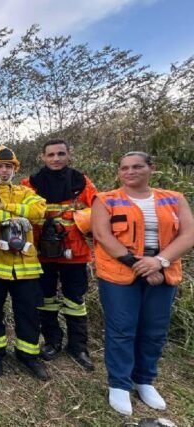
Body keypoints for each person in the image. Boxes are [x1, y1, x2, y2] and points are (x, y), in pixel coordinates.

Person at [92, 151, 194, 416]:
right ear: (119, 172)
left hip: (163, 271)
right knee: (122, 329)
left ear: (151, 168)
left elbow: (188, 235)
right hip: (120, 274)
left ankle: (144, 380)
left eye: (137, 166)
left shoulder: (174, 198)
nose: (130, 171)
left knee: (154, 330)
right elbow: (103, 236)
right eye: (124, 167)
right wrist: (141, 265)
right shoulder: (106, 200)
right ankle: (119, 384)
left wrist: (159, 262)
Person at [22, 139, 97, 371]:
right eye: (51, 154)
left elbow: (98, 210)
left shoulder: (82, 182)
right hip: (42, 252)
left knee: (75, 300)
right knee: (45, 299)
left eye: (60, 154)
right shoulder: (30, 183)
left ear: (68, 155)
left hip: (74, 253)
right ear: (42, 157)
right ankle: (52, 341)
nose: (56, 158)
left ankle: (78, 346)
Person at [0, 146, 50, 381]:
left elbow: (40, 210)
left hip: (26, 267)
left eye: (8, 166)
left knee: (28, 313)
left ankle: (28, 355)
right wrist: (17, 215)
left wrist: (9, 209)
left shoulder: (24, 191)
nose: (4, 170)